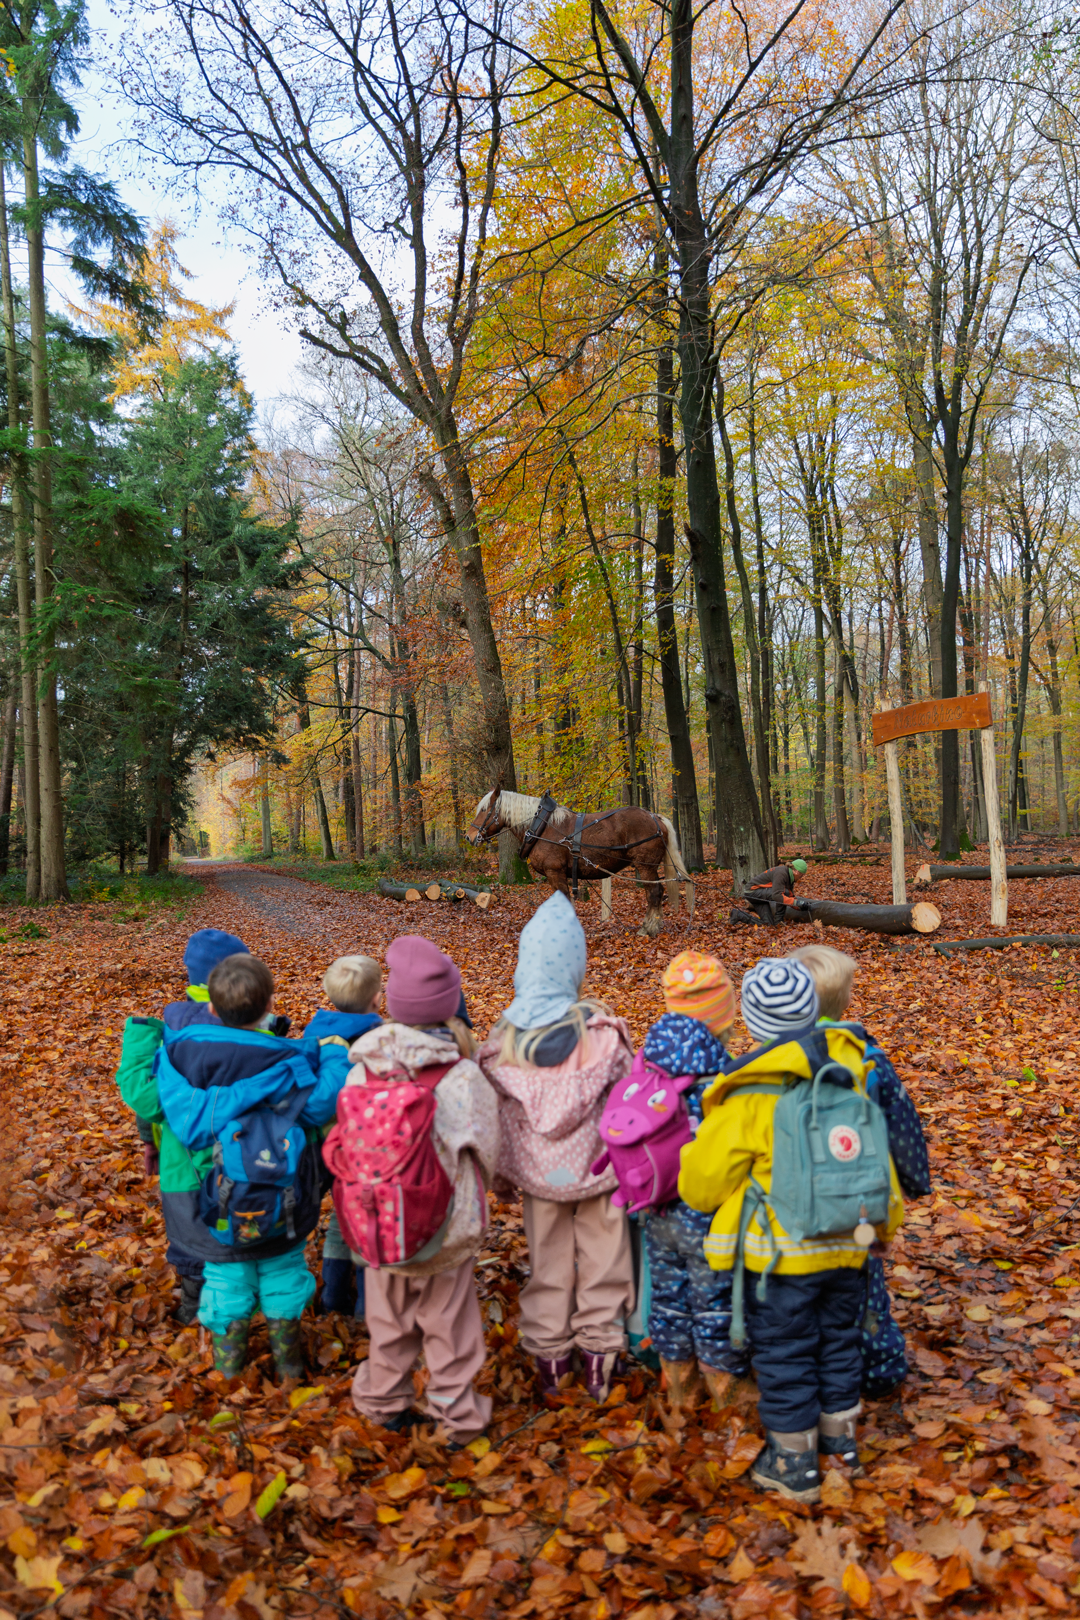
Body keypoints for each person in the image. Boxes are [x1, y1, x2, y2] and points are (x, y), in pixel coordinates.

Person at [679, 957, 903, 1503]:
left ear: (752, 1024)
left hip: (777, 1260)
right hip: (848, 1246)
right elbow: (878, 1166)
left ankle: (793, 1460)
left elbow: (701, 1186)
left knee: (785, 1354)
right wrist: (882, 1228)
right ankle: (840, 1445)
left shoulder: (748, 1093)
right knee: (839, 1343)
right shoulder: (848, 1076)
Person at [154, 953, 350, 1379]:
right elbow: (320, 1104)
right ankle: (290, 1367)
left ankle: (228, 1373)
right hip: (284, 1197)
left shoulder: (181, 1055)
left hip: (220, 1200)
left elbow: (179, 1115)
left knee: (226, 1281)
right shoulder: (290, 1058)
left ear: (211, 1006)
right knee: (283, 1275)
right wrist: (336, 1056)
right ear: (269, 1006)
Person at [478, 891, 635, 1404]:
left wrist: (502, 1177)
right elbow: (628, 1103)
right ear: (575, 969)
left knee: (548, 1265)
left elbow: (496, 1121)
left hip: (542, 1180)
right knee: (605, 1262)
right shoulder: (603, 1037)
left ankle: (550, 1360)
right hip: (598, 1173)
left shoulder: (504, 1045)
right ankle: (600, 1358)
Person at [348, 936, 499, 1443]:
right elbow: (487, 1149)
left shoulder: (362, 1068)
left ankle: (383, 1400)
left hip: (377, 1223)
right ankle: (457, 1416)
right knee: (449, 1325)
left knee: (387, 1321)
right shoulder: (461, 1076)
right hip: (443, 1228)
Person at [790, 944, 931, 1399]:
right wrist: (914, 1180)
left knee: (798, 1293)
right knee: (863, 1285)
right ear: (845, 1000)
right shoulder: (867, 1059)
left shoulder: (775, 1060)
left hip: (791, 1202)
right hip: (860, 1205)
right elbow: (901, 1124)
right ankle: (877, 1366)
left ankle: (803, 1372)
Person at [115, 927, 251, 1325]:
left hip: (182, 1164)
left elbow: (151, 1098)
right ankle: (235, 1311)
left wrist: (149, 1140)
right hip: (244, 1158)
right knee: (238, 1232)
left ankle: (194, 1311)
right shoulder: (251, 1026)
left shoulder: (172, 1033)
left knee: (190, 1237)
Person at [641, 951, 751, 1409]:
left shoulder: (648, 1061)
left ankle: (679, 1389)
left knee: (669, 1296)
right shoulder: (727, 1072)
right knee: (715, 1302)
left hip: (657, 1204)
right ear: (724, 1015)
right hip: (710, 1215)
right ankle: (725, 1394)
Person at [302, 955, 384, 1318]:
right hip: (364, 1143)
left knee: (340, 1212)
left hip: (324, 1142)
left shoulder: (315, 1032)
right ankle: (366, 1303)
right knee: (365, 1217)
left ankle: (334, 1296)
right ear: (377, 998)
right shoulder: (377, 1038)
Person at [739, 859, 808, 926]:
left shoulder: (789, 876)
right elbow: (777, 896)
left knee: (768, 924)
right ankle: (779, 922)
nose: (801, 877)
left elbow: (790, 896)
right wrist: (796, 903)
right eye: (801, 875)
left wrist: (799, 906)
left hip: (761, 895)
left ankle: (739, 915)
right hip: (752, 891)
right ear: (796, 872)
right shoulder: (781, 873)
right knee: (783, 894)